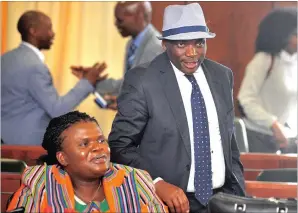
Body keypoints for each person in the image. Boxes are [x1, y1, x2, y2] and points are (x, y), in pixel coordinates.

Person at [109, 3, 245, 213]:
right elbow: (120, 145)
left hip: (223, 200)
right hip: (168, 204)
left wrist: (237, 192)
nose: (192, 53)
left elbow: (228, 140)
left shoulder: (222, 76)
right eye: (182, 44)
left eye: (199, 43)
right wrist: (156, 183)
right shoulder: (143, 80)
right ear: (165, 44)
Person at [6, 111, 168, 213]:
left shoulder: (135, 179)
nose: (98, 148)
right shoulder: (40, 181)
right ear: (63, 158)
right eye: (85, 144)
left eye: (101, 140)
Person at [1, 10, 107, 145]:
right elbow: (57, 110)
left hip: (5, 145)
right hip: (28, 147)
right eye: (49, 28)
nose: (53, 33)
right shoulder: (34, 67)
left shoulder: (4, 59)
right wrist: (87, 82)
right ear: (33, 31)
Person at [238, 7, 297, 153]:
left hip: (287, 139)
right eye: (295, 34)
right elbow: (246, 99)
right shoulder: (264, 60)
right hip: (259, 138)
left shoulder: (294, 63)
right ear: (281, 35)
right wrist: (273, 124)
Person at [93, 1, 163, 110]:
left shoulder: (155, 47)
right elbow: (128, 84)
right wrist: (92, 82)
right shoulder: (132, 43)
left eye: (120, 20)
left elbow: (146, 93)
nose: (115, 24)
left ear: (139, 16)